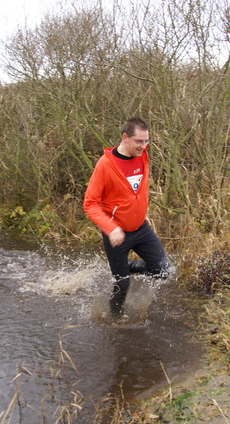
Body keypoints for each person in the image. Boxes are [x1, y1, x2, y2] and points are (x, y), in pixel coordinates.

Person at [83, 117, 170, 317]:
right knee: (122, 285)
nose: (144, 146)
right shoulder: (106, 165)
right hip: (116, 232)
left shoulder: (142, 156)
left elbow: (135, 190)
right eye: (139, 142)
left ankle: (125, 267)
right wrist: (111, 227)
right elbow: (90, 203)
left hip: (141, 228)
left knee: (163, 270)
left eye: (146, 141)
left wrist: (141, 212)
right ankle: (115, 318)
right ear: (125, 137)